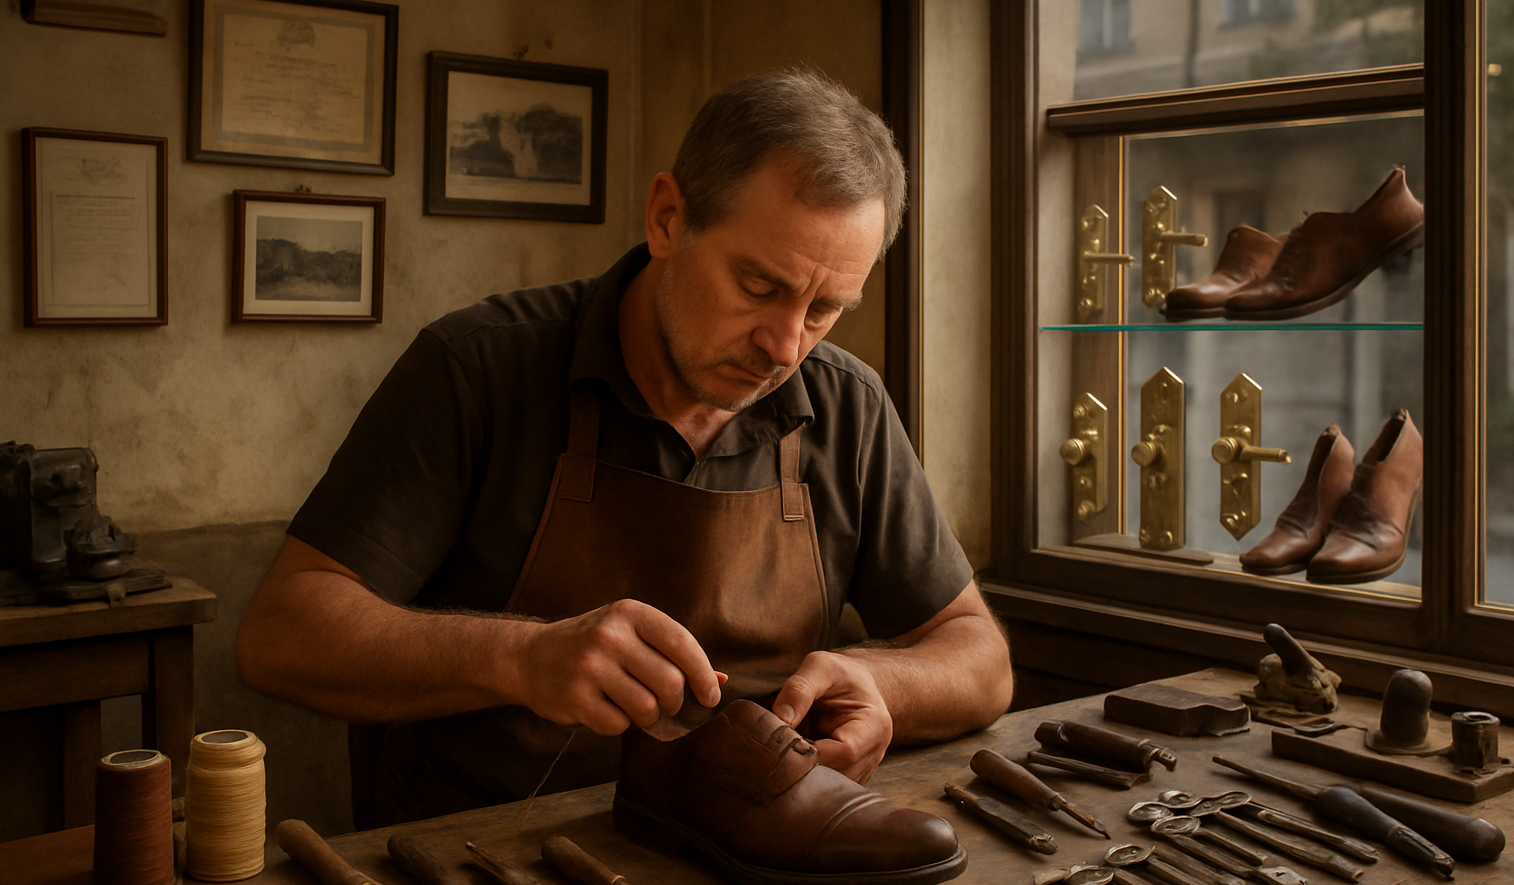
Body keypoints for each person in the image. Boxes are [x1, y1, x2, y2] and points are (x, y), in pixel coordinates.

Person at [237, 68, 1012, 828]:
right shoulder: (476, 369)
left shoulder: (848, 405)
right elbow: (282, 634)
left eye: (825, 310)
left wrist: (882, 682)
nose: (785, 347)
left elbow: (980, 661)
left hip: (746, 853)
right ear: (668, 217)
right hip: (481, 864)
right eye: (758, 286)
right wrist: (520, 659)